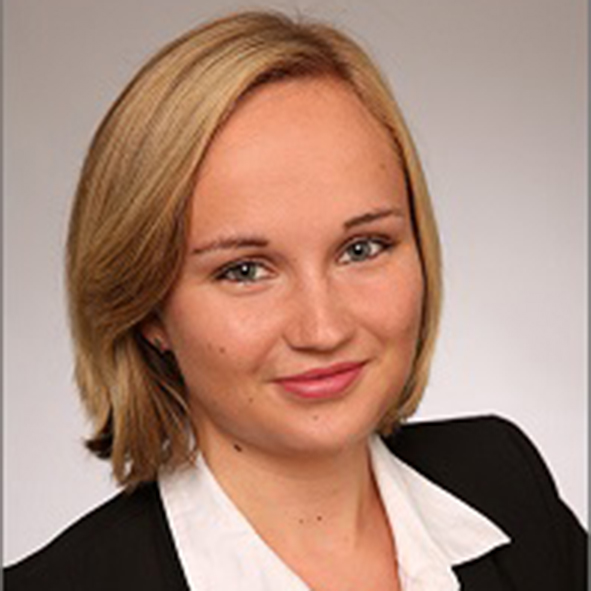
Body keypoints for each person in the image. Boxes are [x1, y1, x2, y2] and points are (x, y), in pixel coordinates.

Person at [4, 9, 586, 591]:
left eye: (362, 248)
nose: (323, 328)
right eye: (246, 270)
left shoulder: (504, 481)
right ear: (148, 308)